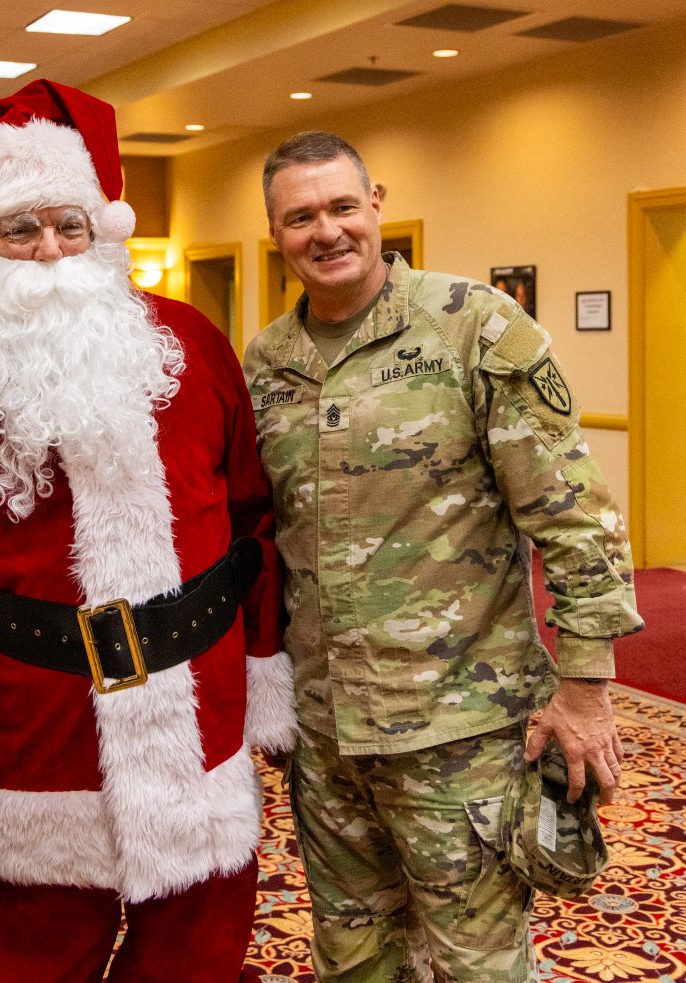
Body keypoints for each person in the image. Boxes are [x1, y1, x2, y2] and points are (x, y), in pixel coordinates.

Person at [0, 79, 296, 983]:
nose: (48, 251)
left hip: (198, 724)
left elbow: (254, 521)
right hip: (28, 736)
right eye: (18, 230)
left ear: (104, 233)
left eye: (69, 225)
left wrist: (262, 665)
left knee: (198, 959)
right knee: (30, 961)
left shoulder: (191, 345)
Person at [245, 130, 644, 981]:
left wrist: (584, 691)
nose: (327, 231)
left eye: (343, 207)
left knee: (479, 967)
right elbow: (262, 538)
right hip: (328, 736)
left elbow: (576, 519)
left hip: (460, 733)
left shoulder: (476, 328)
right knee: (352, 960)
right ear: (275, 232)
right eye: (301, 216)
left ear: (376, 205)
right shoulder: (267, 363)